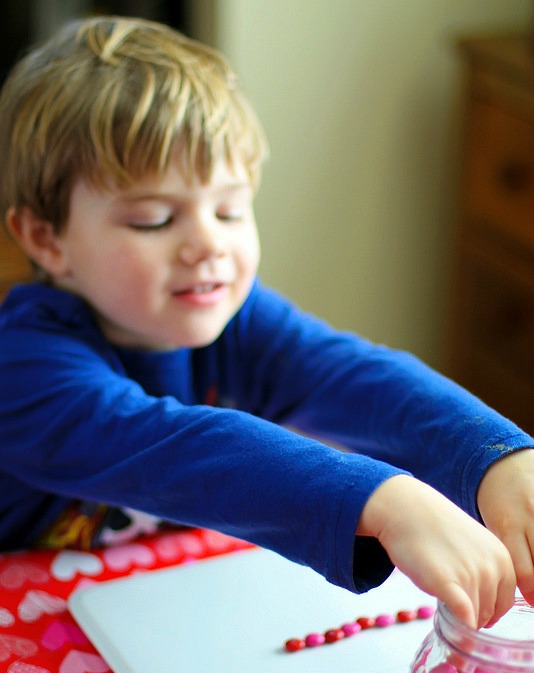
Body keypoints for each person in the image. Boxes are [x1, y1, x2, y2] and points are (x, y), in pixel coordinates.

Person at [0, 16, 532, 632]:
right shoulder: (23, 366)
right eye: (152, 220)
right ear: (47, 238)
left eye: (229, 209)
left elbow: (351, 375)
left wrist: (496, 456)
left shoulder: (234, 315)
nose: (208, 245)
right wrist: (383, 498)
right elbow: (176, 448)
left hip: (160, 618)